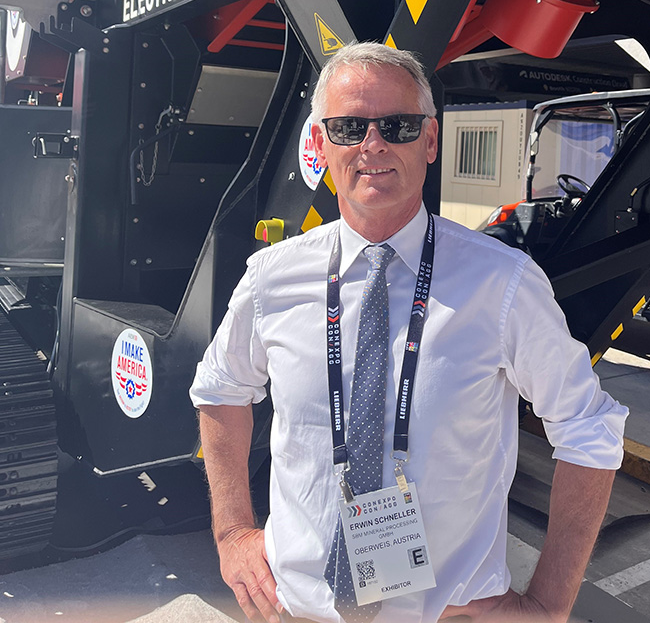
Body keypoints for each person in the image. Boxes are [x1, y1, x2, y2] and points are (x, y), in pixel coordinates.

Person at [190, 42, 627, 623]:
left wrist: (549, 603)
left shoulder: (502, 284)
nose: (372, 144)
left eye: (396, 125)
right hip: (296, 609)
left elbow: (588, 426)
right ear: (320, 145)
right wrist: (233, 532)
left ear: (430, 140)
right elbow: (220, 388)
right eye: (348, 127)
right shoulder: (273, 277)